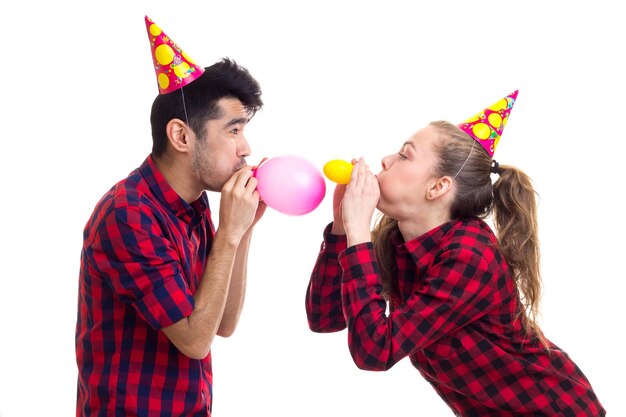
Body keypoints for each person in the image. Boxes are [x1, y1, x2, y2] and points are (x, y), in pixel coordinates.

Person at [305, 91, 606, 416]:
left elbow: (376, 351)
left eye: (404, 155)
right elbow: (326, 318)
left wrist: (359, 232)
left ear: (438, 187)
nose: (386, 161)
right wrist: (342, 228)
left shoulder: (471, 256)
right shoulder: (395, 242)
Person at [76, 17, 265, 416]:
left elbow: (223, 325)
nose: (246, 148)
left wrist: (243, 231)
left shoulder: (193, 206)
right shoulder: (128, 214)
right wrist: (229, 234)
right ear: (181, 136)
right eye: (233, 130)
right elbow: (196, 340)